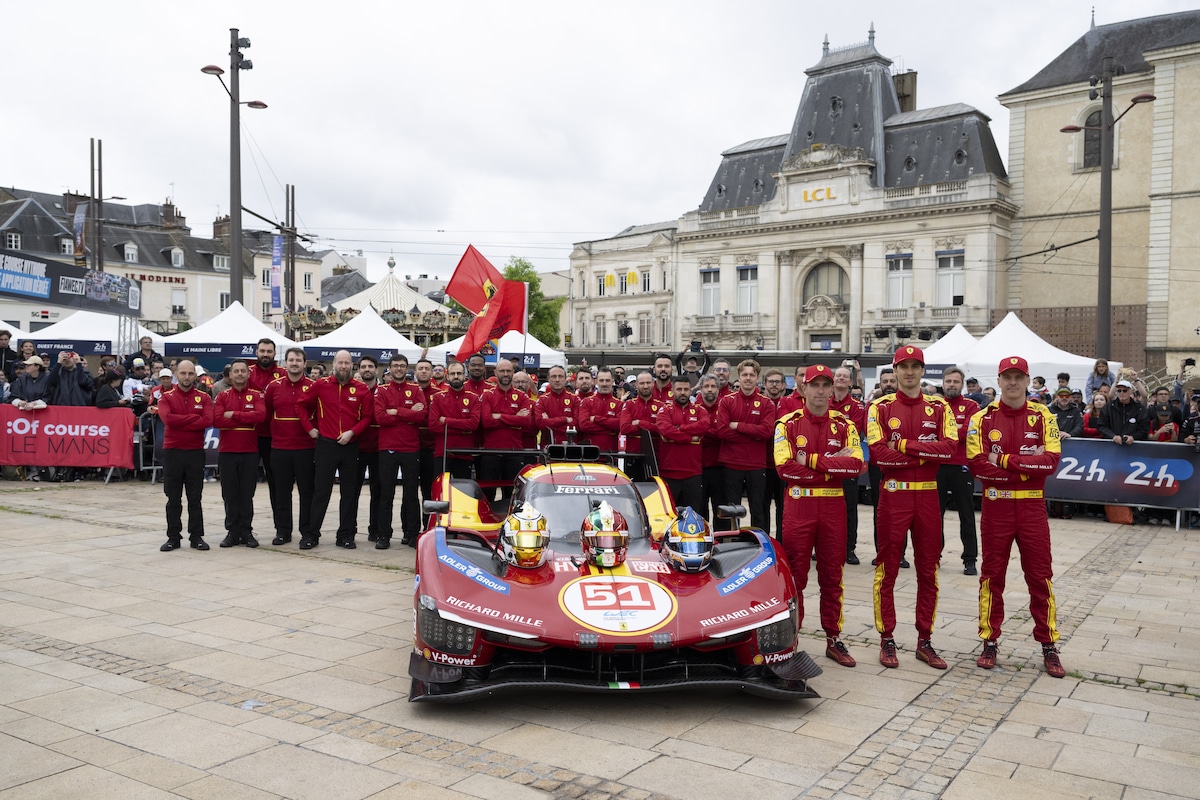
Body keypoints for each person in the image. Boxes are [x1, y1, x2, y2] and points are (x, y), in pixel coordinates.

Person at [967, 356, 1065, 678]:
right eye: (1007, 377)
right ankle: (989, 640)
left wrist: (1003, 461)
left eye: (1018, 377)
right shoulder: (982, 418)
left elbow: (1050, 462)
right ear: (998, 380)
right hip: (996, 509)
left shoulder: (1043, 415)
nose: (1012, 382)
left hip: (1032, 509)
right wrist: (1026, 467)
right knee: (992, 576)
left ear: (1027, 380)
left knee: (1040, 577)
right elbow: (978, 466)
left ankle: (1049, 644)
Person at [867, 345, 957, 670]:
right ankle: (887, 638)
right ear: (894, 370)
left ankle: (925, 640)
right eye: (903, 366)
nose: (908, 372)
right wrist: (925, 453)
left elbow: (950, 449)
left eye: (914, 366)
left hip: (928, 497)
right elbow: (878, 454)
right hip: (893, 497)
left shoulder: (939, 407)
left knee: (928, 570)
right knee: (887, 569)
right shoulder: (879, 407)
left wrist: (904, 446)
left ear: (922, 370)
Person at [774, 363, 865, 668]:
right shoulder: (787, 424)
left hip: (833, 509)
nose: (821, 391)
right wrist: (831, 466)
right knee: (795, 576)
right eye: (815, 385)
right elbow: (784, 469)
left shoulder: (845, 424)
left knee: (832, 575)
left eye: (826, 385)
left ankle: (833, 638)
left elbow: (856, 466)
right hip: (799, 509)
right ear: (803, 388)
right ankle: (791, 637)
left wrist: (810, 461)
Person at [296, 350, 371, 550]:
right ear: (334, 364)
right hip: (326, 445)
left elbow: (367, 418)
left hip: (350, 446)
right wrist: (309, 428)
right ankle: (311, 535)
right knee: (321, 492)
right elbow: (300, 405)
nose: (343, 366)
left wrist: (352, 433)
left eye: (347, 363)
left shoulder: (361, 389)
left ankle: (346, 535)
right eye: (340, 362)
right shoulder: (320, 385)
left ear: (351, 365)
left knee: (349, 493)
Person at [157, 360, 214, 551]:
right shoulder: (166, 397)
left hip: (195, 453)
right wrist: (193, 419)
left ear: (195, 375)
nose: (187, 377)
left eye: (190, 373)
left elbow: (207, 420)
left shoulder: (203, 398)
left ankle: (196, 536)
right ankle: (173, 537)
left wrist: (181, 421)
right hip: (173, 452)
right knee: (173, 498)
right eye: (183, 373)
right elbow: (168, 419)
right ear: (176, 374)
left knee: (194, 498)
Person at [262, 347, 316, 546]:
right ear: (285, 363)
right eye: (291, 360)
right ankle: (283, 532)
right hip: (280, 448)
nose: (294, 363)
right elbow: (267, 413)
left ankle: (308, 533)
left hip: (306, 448)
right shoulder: (273, 387)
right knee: (281, 493)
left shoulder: (313, 386)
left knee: (307, 493)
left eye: (298, 360)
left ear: (304, 364)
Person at [716, 359, 775, 531]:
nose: (748, 378)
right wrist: (753, 435)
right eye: (744, 375)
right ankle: (732, 540)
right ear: (739, 377)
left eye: (752, 375)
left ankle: (758, 542)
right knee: (731, 510)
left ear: (757, 377)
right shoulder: (726, 401)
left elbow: (767, 432)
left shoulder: (767, 403)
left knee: (758, 509)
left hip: (756, 465)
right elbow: (722, 431)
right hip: (731, 463)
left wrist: (738, 426)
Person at [213, 359, 267, 548]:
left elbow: (260, 416)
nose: (240, 374)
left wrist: (234, 415)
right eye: (236, 371)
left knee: (246, 494)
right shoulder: (222, 396)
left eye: (243, 371)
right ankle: (232, 532)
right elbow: (217, 420)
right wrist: (246, 418)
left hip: (250, 452)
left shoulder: (257, 396)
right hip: (227, 452)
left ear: (248, 373)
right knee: (229, 494)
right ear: (230, 375)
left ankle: (246, 531)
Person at [375, 354, 426, 548]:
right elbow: (380, 417)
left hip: (411, 448)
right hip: (387, 448)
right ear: (389, 368)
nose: (399, 369)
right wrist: (408, 412)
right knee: (386, 494)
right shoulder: (382, 391)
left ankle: (411, 534)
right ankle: (383, 535)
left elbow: (421, 416)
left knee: (411, 494)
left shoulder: (416, 389)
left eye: (402, 366)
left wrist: (395, 411)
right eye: (395, 365)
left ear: (407, 368)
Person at [937, 367, 980, 575]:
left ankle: (970, 559)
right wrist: (955, 430)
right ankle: (934, 556)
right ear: (943, 383)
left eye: (955, 381)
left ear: (962, 384)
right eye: (948, 381)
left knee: (966, 514)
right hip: (937, 465)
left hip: (962, 466)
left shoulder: (971, 406)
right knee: (935, 515)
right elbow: (930, 432)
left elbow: (968, 433)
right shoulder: (935, 406)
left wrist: (944, 433)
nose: (951, 385)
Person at [480, 358, 533, 498]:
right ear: (495, 372)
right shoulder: (487, 395)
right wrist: (514, 417)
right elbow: (486, 422)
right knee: (487, 495)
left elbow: (525, 421)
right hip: (491, 453)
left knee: (513, 495)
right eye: (502, 371)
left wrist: (498, 416)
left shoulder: (522, 396)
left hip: (514, 452)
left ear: (513, 372)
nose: (505, 374)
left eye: (508, 371)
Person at [831, 363, 867, 565]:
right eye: (838, 375)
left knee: (849, 508)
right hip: (826, 463)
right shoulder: (823, 402)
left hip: (847, 464)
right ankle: (826, 547)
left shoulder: (856, 406)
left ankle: (849, 549)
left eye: (845, 376)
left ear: (851, 382)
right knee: (827, 509)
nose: (841, 378)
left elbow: (855, 432)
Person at [656, 374, 709, 511]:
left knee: (693, 516)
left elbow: (704, 425)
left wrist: (680, 428)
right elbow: (666, 430)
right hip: (669, 473)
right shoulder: (665, 410)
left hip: (693, 473)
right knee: (669, 516)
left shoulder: (700, 410)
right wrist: (690, 438)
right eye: (679, 389)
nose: (683, 392)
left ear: (690, 390)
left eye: (686, 389)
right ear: (672, 391)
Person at [248, 339, 287, 520]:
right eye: (262, 351)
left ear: (274, 353)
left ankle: (281, 527)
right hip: (251, 435)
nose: (265, 354)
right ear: (256, 352)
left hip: (275, 437)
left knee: (277, 484)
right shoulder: (247, 373)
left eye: (269, 351)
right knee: (247, 483)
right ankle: (243, 528)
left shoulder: (283, 374)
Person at [429, 360, 482, 479]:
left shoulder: (473, 398)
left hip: (464, 453)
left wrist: (446, 421)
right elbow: (433, 425)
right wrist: (463, 429)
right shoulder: (438, 398)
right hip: (442, 452)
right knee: (441, 488)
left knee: (463, 489)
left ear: (464, 376)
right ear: (447, 376)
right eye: (453, 374)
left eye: (459, 373)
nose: (456, 376)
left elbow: (473, 424)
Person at [355, 356, 385, 544]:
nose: (367, 369)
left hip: (379, 448)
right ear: (358, 370)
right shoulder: (353, 390)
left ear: (376, 370)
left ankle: (375, 530)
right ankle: (348, 531)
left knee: (378, 492)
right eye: (363, 366)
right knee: (352, 492)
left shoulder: (383, 391)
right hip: (356, 448)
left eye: (370, 366)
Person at [696, 375, 725, 526]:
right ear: (700, 389)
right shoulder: (694, 409)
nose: (709, 389)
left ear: (718, 389)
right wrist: (712, 431)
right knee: (700, 510)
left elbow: (723, 433)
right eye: (706, 386)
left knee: (721, 510)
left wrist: (701, 430)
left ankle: (723, 538)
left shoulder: (724, 408)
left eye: (713, 386)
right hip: (698, 466)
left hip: (720, 466)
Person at [534, 365, 577, 446]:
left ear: (565, 379)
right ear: (548, 379)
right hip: (548, 447)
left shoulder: (575, 399)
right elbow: (540, 424)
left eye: (560, 376)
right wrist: (565, 419)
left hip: (570, 447)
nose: (557, 380)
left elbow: (577, 425)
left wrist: (549, 422)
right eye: (554, 376)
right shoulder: (542, 400)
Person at [1098, 379, 1149, 445]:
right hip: (1111, 445)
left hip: (1133, 446)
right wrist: (1113, 436)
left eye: (1125, 391)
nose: (1122, 393)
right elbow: (1101, 426)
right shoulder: (1108, 407)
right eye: (1119, 391)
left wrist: (1133, 437)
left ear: (1130, 392)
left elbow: (1144, 428)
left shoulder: (1139, 408)